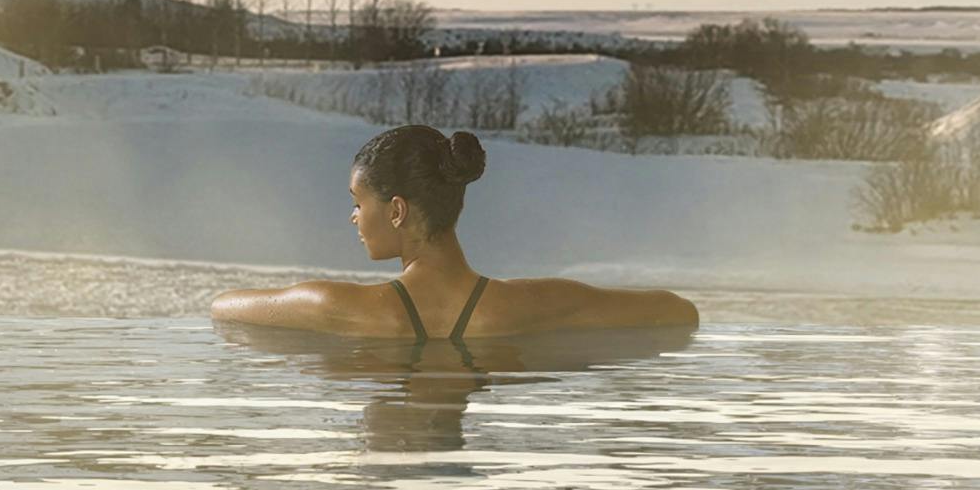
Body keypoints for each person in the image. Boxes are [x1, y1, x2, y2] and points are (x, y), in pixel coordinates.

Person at [209, 123, 698, 346]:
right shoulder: (528, 304)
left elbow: (223, 306)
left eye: (359, 204)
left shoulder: (335, 306)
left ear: (396, 210)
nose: (354, 218)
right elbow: (680, 311)